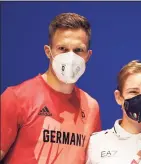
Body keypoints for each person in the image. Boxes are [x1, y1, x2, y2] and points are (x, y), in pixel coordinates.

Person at [0, 13, 101, 164]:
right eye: (62, 48)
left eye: (78, 50)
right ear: (48, 52)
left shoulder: (91, 107)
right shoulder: (16, 98)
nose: (71, 57)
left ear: (88, 56)